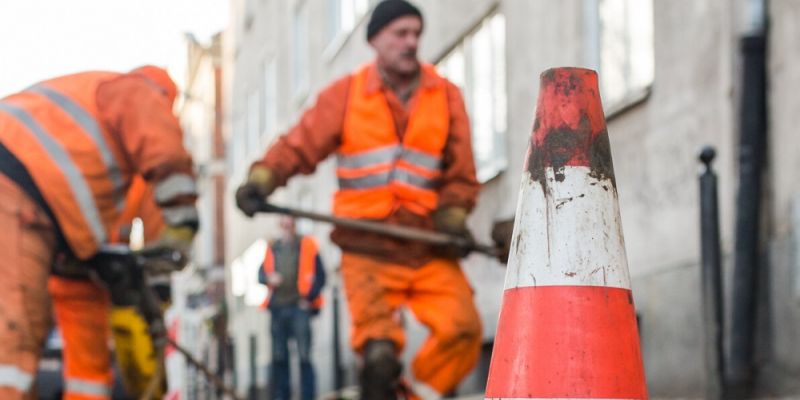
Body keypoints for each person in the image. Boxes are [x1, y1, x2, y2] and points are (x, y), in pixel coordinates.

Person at [236, 1, 482, 398]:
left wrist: (453, 216)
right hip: (366, 247)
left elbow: (462, 173)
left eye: (416, 34)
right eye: (400, 34)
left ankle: (412, 394)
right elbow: (300, 144)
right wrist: (263, 178)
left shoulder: (445, 95)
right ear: (375, 40)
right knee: (379, 350)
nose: (410, 42)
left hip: (426, 245)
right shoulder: (346, 95)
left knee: (464, 330)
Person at [0, 65, 198, 400]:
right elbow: (166, 157)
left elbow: (151, 222)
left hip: (71, 242)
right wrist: (184, 219)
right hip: (17, 192)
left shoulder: (114, 157)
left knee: (88, 360)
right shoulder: (138, 91)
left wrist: (154, 286)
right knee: (14, 336)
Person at [258, 217, 326, 400]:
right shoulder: (273, 248)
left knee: (304, 356)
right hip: (278, 308)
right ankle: (282, 396)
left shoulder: (307, 245)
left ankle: (307, 396)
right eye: (283, 225)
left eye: (290, 225)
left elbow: (321, 275)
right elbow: (260, 274)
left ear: (294, 226)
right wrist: (268, 278)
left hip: (299, 308)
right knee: (280, 357)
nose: (287, 228)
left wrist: (309, 298)